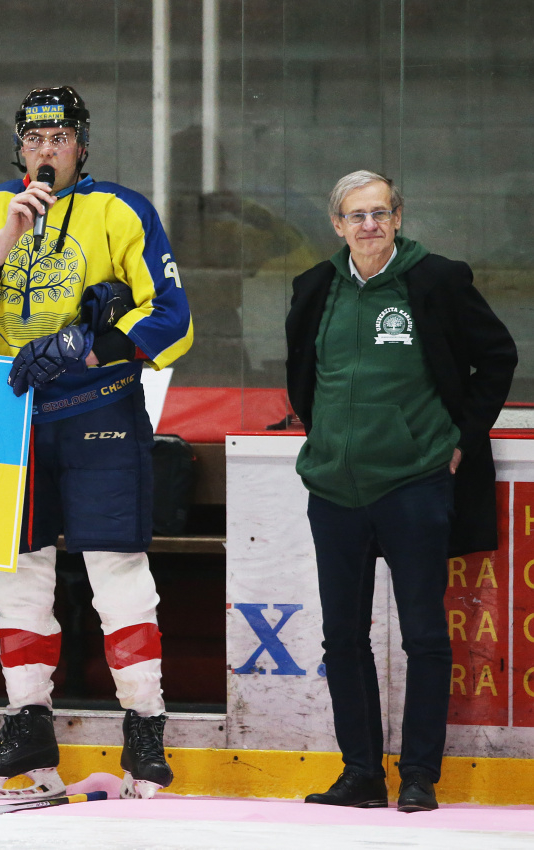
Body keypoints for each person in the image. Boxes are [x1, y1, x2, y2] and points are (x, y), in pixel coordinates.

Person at [0, 86, 193, 800]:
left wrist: (88, 346)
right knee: (16, 576)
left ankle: (145, 729)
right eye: (35, 139)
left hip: (100, 409)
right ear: (19, 147)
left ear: (82, 145)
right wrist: (5, 239)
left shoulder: (122, 210)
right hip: (12, 417)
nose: (47, 150)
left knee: (117, 571)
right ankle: (28, 726)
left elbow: (174, 319)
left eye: (60, 137)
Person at [287, 170, 516, 813]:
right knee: (342, 638)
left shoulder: (437, 280)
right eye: (357, 215)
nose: (370, 225)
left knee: (424, 636)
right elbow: (305, 375)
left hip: (414, 483)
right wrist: (326, 441)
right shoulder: (315, 287)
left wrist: (461, 439)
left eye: (381, 212)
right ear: (338, 225)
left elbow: (497, 357)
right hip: (334, 489)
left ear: (397, 217)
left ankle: (419, 775)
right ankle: (361, 774)